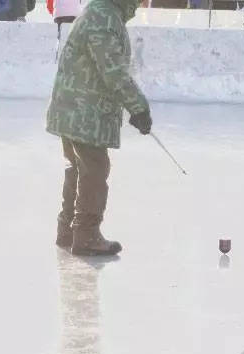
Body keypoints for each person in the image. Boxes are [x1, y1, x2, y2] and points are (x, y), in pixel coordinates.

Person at [46, 0, 152, 256]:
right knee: (94, 169)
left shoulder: (103, 11)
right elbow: (113, 71)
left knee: (79, 167)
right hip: (84, 110)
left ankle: (68, 231)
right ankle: (86, 235)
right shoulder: (104, 17)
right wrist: (138, 107)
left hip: (75, 107)